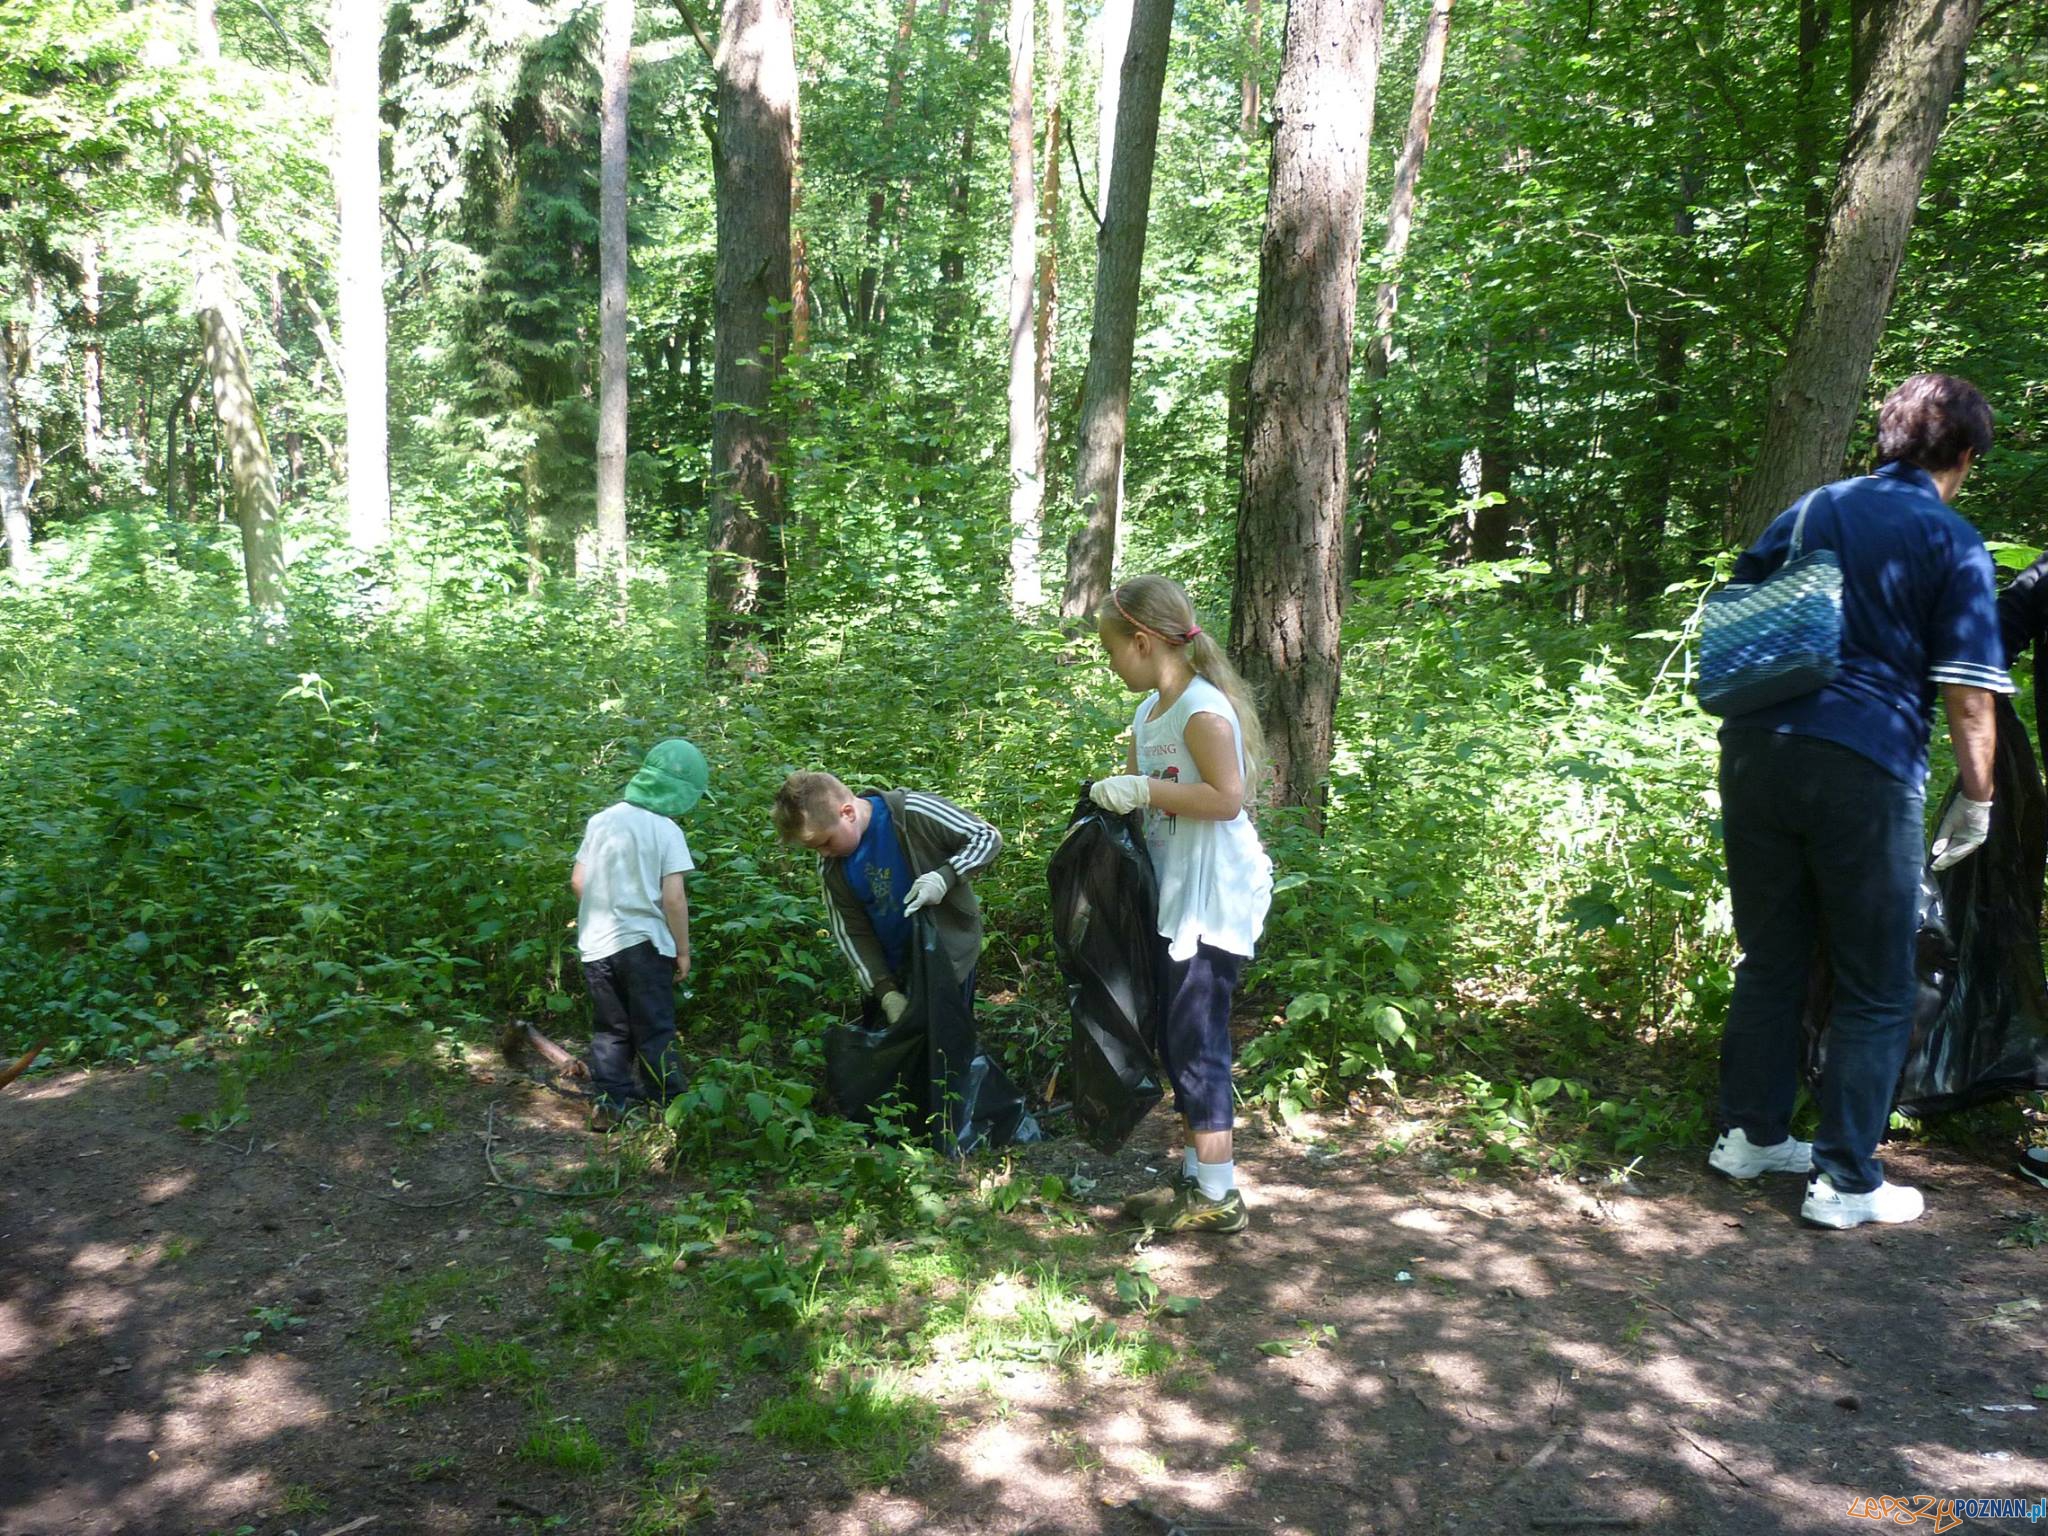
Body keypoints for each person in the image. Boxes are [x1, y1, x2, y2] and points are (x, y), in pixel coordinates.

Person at [1710, 373, 2008, 1228]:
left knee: (1771, 957)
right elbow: (1969, 696)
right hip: (1864, 766)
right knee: (1877, 981)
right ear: (1964, 455)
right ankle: (1845, 1181)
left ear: (1886, 440)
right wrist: (1978, 800)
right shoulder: (1951, 539)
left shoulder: (1808, 510)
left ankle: (1750, 1136)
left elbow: (1740, 611)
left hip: (1756, 753)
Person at [1091, 575, 1274, 1235]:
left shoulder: (1201, 711)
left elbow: (1226, 799)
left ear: (1143, 642)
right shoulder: (1148, 714)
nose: (1110, 662)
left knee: (1198, 1040)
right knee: (1175, 1038)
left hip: (1214, 896)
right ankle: (1199, 1179)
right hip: (1174, 894)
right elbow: (1147, 797)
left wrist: (1142, 788)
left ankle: (1220, 1194)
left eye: (1112, 649)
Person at [771, 772, 1002, 1032]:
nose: (823, 853)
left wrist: (944, 877)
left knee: (948, 1040)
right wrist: (886, 992)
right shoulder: (832, 866)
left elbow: (986, 836)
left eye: (826, 842)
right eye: (815, 848)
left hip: (948, 957)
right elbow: (851, 931)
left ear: (847, 813)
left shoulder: (911, 812)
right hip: (891, 969)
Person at [571, 738, 708, 1132]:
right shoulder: (666, 830)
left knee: (610, 1030)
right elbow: (673, 898)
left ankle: (609, 1104)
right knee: (655, 1029)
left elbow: (579, 882)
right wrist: (683, 950)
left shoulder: (601, 821)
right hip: (645, 947)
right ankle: (670, 1108)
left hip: (597, 946)